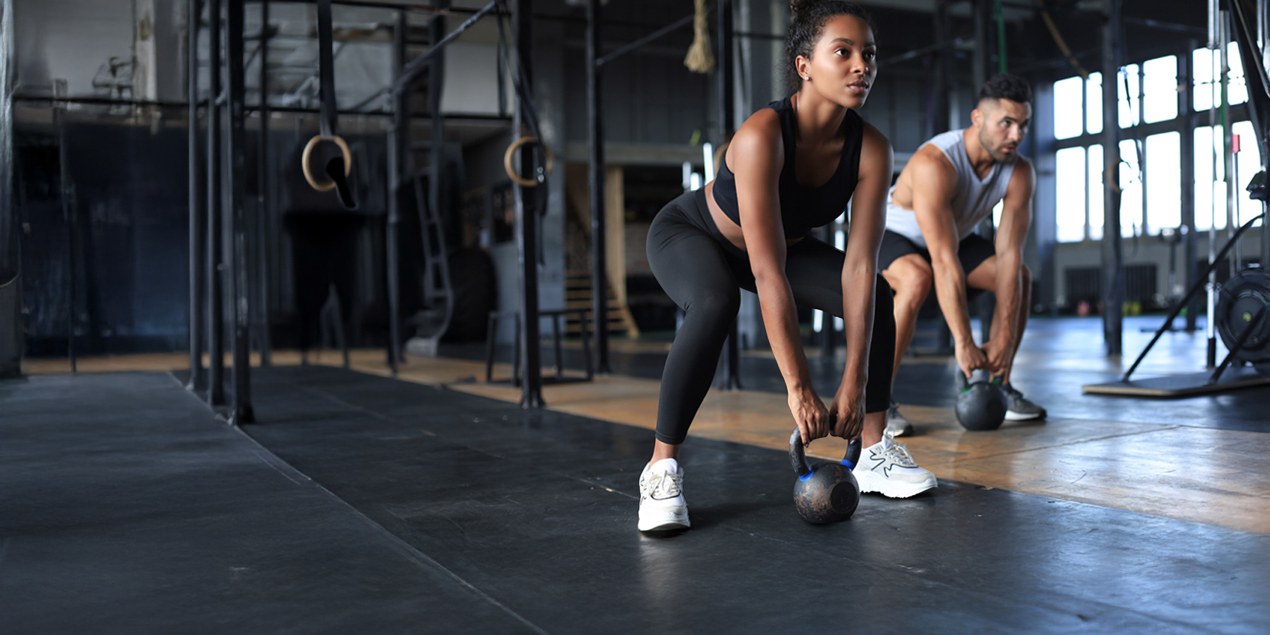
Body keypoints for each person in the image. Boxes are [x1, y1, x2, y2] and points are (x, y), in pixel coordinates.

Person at [638, 0, 937, 533]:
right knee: (715, 303)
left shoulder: (871, 149)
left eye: (868, 54)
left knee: (881, 294)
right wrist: (799, 388)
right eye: (842, 52)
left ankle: (873, 451)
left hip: (785, 246)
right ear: (805, 66)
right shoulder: (762, 136)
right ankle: (661, 467)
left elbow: (859, 266)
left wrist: (854, 380)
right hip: (693, 234)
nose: (861, 66)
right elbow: (767, 271)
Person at [879, 74, 1047, 438]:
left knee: (1019, 274)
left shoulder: (1019, 172)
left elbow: (1009, 253)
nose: (1017, 135)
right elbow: (944, 260)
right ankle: (877, 400)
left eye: (1023, 125)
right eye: (1006, 123)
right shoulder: (935, 163)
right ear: (977, 119)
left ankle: (1000, 383)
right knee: (917, 277)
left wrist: (1002, 336)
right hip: (895, 235)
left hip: (954, 238)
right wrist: (964, 342)